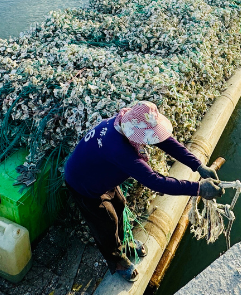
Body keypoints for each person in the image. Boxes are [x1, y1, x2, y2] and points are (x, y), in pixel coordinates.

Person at [63, 101, 224, 282]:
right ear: (136, 133)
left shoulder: (122, 122)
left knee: (120, 204)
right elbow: (155, 182)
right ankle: (116, 260)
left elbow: (167, 142)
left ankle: (124, 243)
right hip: (83, 184)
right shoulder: (120, 150)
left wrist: (198, 165)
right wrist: (198, 188)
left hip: (99, 172)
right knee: (107, 222)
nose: (151, 140)